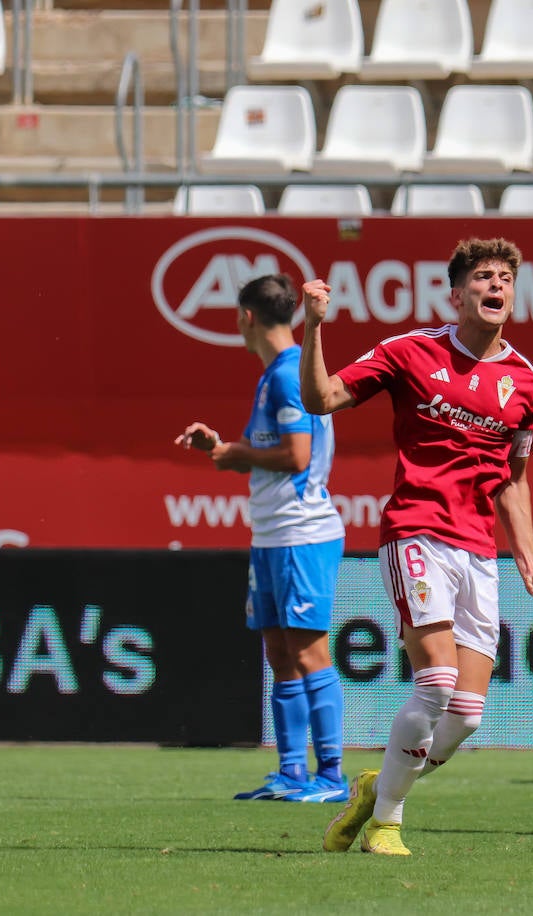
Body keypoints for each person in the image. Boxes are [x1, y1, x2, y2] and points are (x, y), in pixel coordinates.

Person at [299, 238, 533, 857]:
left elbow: (512, 480)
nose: (495, 286)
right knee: (437, 679)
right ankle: (386, 824)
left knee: (467, 714)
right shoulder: (410, 352)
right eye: (481, 277)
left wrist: (529, 560)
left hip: (478, 551)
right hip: (416, 530)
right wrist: (312, 327)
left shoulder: (528, 383)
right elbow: (321, 399)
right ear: (457, 293)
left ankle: (376, 786)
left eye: (504, 278)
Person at [175, 274, 348, 804]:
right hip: (273, 533)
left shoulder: (289, 375)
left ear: (246, 317)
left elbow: (295, 458)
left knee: (308, 650)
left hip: (302, 531)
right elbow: (266, 456)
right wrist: (221, 448)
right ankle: (292, 771)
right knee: (278, 649)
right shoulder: (276, 374)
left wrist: (236, 453)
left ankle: (332, 776)